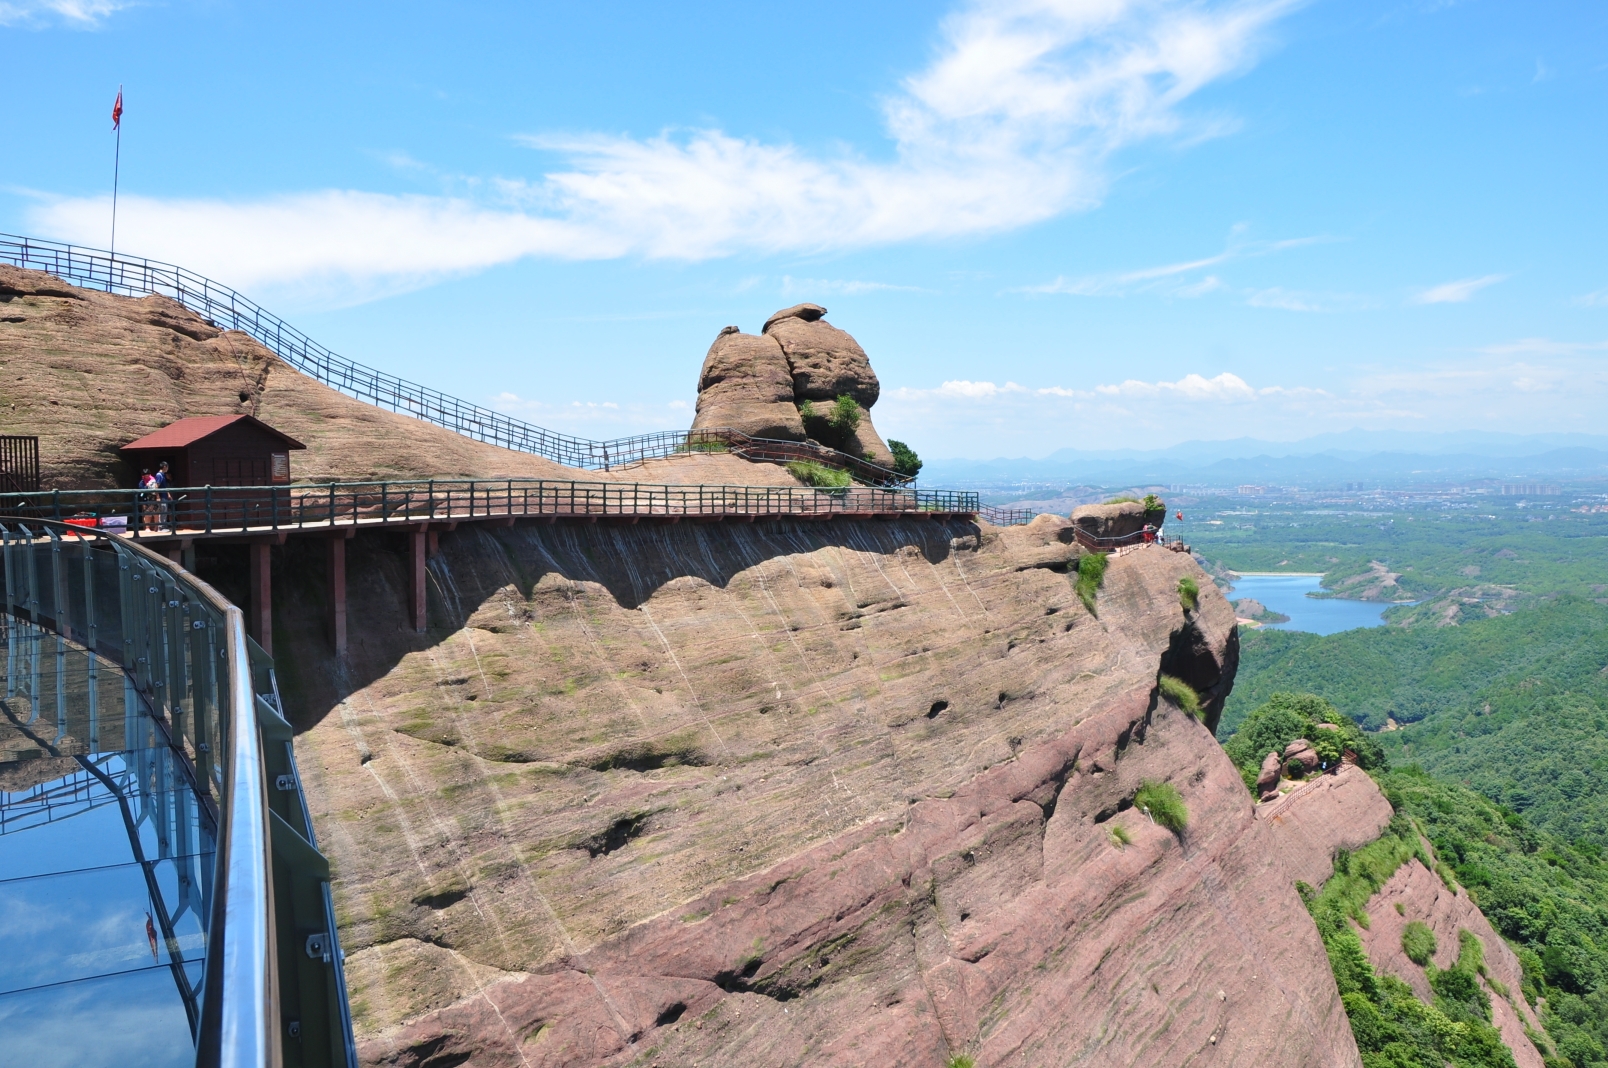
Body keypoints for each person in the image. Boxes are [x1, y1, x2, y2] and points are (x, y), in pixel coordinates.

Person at [154, 462, 174, 531]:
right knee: (162, 511)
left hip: (165, 495)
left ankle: (163, 526)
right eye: (167, 467)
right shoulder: (159, 475)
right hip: (161, 496)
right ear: (165, 466)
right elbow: (156, 486)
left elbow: (164, 486)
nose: (167, 468)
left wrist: (168, 494)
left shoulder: (163, 475)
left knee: (165, 511)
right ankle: (161, 527)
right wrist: (157, 497)